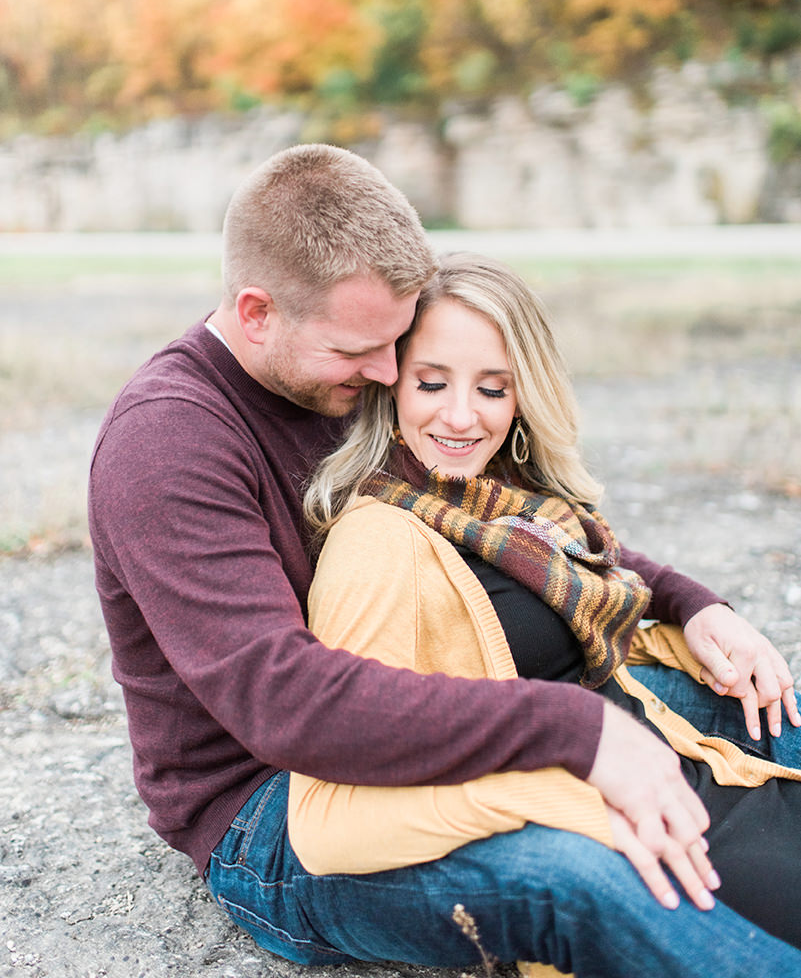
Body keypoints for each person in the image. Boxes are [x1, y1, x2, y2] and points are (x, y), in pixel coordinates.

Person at [88, 144, 801, 978]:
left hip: (436, 695)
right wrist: (572, 729)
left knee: (755, 708)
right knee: (583, 877)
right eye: (361, 350)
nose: (388, 372)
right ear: (256, 312)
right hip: (277, 806)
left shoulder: (342, 375)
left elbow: (501, 522)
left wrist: (686, 601)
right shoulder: (168, 443)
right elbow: (285, 704)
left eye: (397, 344)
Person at [290, 251, 801, 959]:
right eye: (431, 382)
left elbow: (612, 567)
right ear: (391, 385)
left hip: (697, 776)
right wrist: (576, 813)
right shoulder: (376, 543)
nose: (462, 416)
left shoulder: (510, 505)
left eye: (493, 390)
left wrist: (696, 606)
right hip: (642, 831)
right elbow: (329, 820)